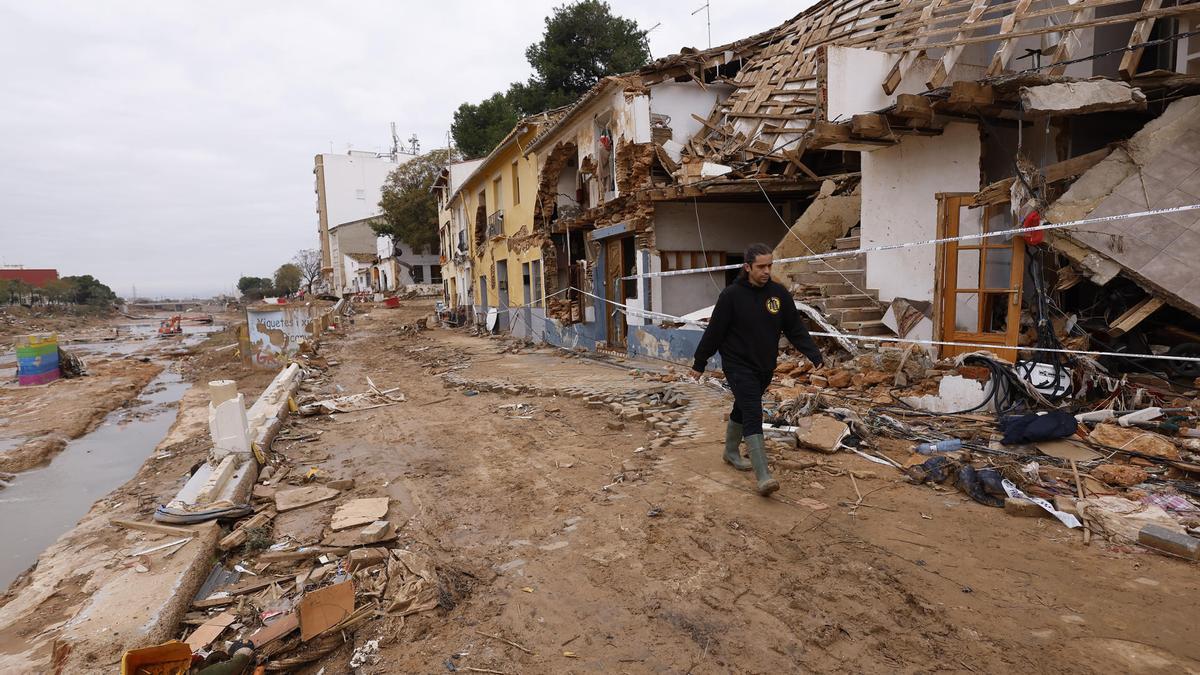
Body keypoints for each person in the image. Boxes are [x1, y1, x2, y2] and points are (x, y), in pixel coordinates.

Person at [691, 243, 824, 496]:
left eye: (769, 266)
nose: (766, 271)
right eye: (761, 266)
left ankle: (730, 452)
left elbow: (794, 328)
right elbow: (714, 333)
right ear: (747, 267)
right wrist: (700, 362)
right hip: (737, 364)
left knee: (743, 406)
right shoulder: (731, 296)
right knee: (753, 410)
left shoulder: (778, 294)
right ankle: (763, 476)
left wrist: (813, 353)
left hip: (764, 365)